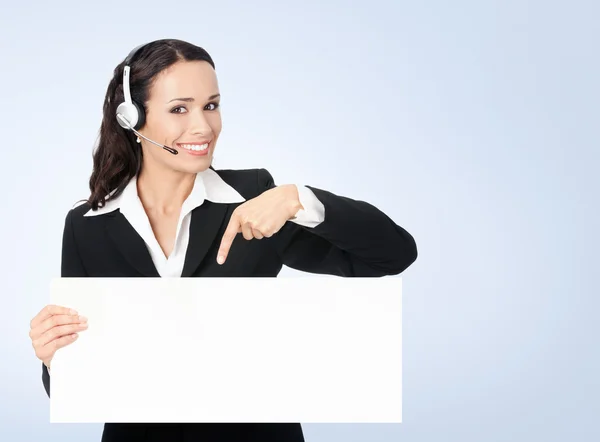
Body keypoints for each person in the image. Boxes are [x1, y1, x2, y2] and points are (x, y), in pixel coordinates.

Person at [28, 38, 418, 442]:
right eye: (179, 108)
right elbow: (81, 389)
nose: (203, 126)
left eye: (211, 106)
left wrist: (299, 199)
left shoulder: (256, 199)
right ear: (132, 118)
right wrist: (54, 360)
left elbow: (393, 255)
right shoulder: (87, 225)